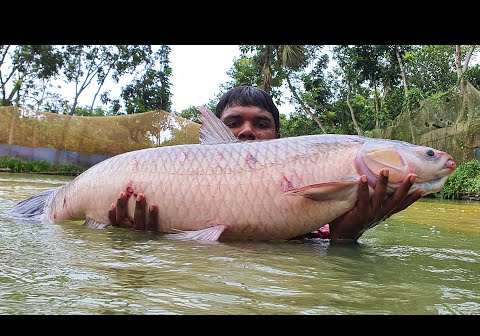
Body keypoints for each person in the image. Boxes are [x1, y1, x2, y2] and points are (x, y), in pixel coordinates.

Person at [108, 85, 424, 244]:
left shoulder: (318, 216)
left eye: (260, 123)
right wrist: (142, 238)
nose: (247, 131)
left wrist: (346, 237)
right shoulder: (170, 177)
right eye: (233, 122)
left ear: (278, 138)